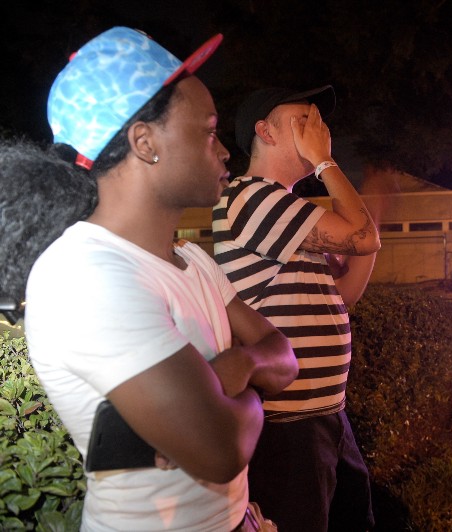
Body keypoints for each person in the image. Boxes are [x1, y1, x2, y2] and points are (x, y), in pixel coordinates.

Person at [24, 27, 298, 530]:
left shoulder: (193, 261)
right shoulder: (84, 275)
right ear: (145, 143)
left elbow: (284, 358)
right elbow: (221, 447)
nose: (224, 152)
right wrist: (240, 388)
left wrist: (238, 365)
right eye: (208, 132)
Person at [213, 85, 381, 532]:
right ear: (265, 132)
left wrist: (369, 230)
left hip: (325, 415)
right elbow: (363, 237)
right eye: (304, 121)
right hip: (288, 428)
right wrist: (326, 163)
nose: (318, 130)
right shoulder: (251, 198)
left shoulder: (287, 211)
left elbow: (345, 292)